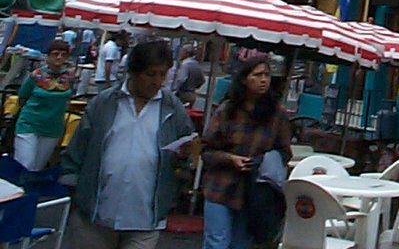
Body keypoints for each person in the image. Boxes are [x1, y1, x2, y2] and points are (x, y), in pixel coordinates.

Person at [62, 38, 195, 249]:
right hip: (96, 213)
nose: (157, 81)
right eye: (151, 74)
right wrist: (75, 194)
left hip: (146, 217)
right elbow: (78, 149)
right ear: (133, 72)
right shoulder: (104, 104)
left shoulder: (172, 108)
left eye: (163, 74)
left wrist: (184, 155)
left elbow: (186, 150)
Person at [202, 54, 292, 249]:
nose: (263, 80)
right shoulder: (227, 110)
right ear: (244, 79)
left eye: (267, 75)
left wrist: (265, 161)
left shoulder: (277, 113)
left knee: (240, 243)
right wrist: (230, 158)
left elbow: (285, 151)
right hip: (220, 186)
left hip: (254, 191)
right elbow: (207, 150)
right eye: (257, 75)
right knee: (217, 242)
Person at [14, 38, 75, 171]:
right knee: (25, 165)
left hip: (52, 128)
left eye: (63, 54)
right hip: (29, 125)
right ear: (48, 56)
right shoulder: (36, 75)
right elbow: (23, 96)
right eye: (55, 53)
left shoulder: (69, 76)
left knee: (38, 168)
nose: (59, 57)